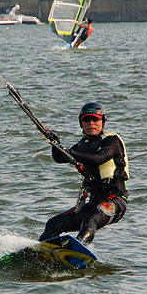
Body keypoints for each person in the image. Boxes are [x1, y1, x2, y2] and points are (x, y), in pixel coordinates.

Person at [39, 102, 129, 244]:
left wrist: (70, 152)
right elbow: (59, 158)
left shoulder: (112, 141)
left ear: (103, 122)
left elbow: (99, 159)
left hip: (115, 201)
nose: (91, 123)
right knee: (53, 224)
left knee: (90, 220)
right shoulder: (82, 145)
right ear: (81, 124)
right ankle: (42, 251)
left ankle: (78, 248)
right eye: (86, 120)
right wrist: (55, 144)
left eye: (95, 120)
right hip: (93, 202)